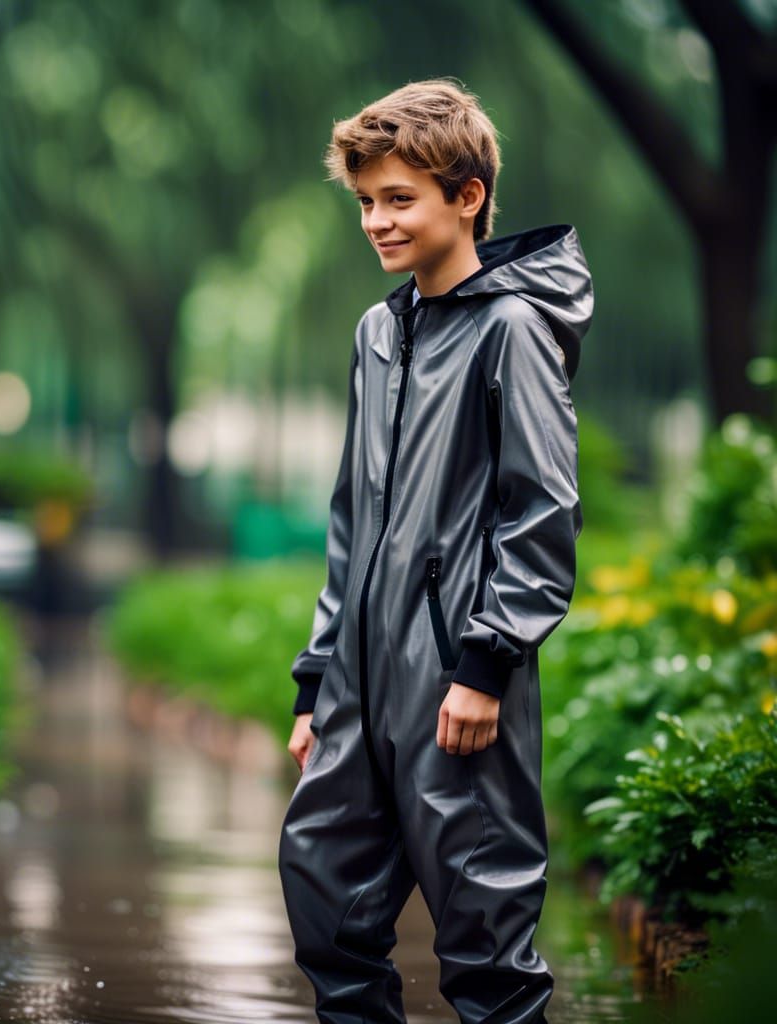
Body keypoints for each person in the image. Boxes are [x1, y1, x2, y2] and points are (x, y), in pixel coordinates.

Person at [277, 77, 593, 1024]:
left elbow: (541, 511)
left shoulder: (513, 330)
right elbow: (353, 523)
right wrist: (318, 679)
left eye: (399, 198)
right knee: (327, 910)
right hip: (358, 686)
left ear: (467, 196)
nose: (376, 221)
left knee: (487, 948)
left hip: (459, 685)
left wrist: (486, 665)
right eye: (365, 201)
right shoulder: (378, 333)